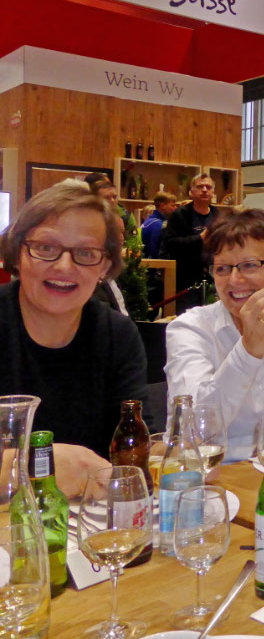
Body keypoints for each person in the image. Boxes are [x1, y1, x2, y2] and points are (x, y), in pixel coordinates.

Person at [0, 182, 149, 495]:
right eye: (45, 248)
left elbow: (134, 445)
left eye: (85, 253)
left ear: (104, 266)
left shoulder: (118, 336)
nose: (64, 266)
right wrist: (36, 464)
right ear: (17, 253)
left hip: (89, 518)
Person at [165, 209, 264, 462]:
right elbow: (193, 433)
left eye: (249, 265)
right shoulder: (189, 330)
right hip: (214, 474)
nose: (235, 280)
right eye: (222, 268)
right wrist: (249, 351)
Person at [160, 173, 220, 310]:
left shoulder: (217, 214)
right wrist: (200, 239)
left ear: (213, 192)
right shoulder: (179, 215)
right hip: (185, 281)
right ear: (191, 192)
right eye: (200, 186)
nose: (204, 190)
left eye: (208, 187)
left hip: (212, 278)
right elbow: (170, 243)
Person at [140, 191, 177, 258]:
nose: (175, 208)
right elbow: (155, 253)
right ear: (162, 206)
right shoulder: (159, 225)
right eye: (173, 205)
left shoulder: (149, 221)